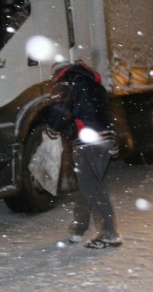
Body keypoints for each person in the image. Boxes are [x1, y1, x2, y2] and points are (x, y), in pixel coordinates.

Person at [46, 60, 122, 249]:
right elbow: (104, 114)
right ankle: (79, 229)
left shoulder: (68, 84)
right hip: (105, 139)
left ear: (58, 73)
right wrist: (113, 140)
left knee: (93, 188)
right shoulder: (96, 86)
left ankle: (109, 233)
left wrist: (52, 129)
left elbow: (61, 111)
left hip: (86, 140)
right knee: (88, 185)